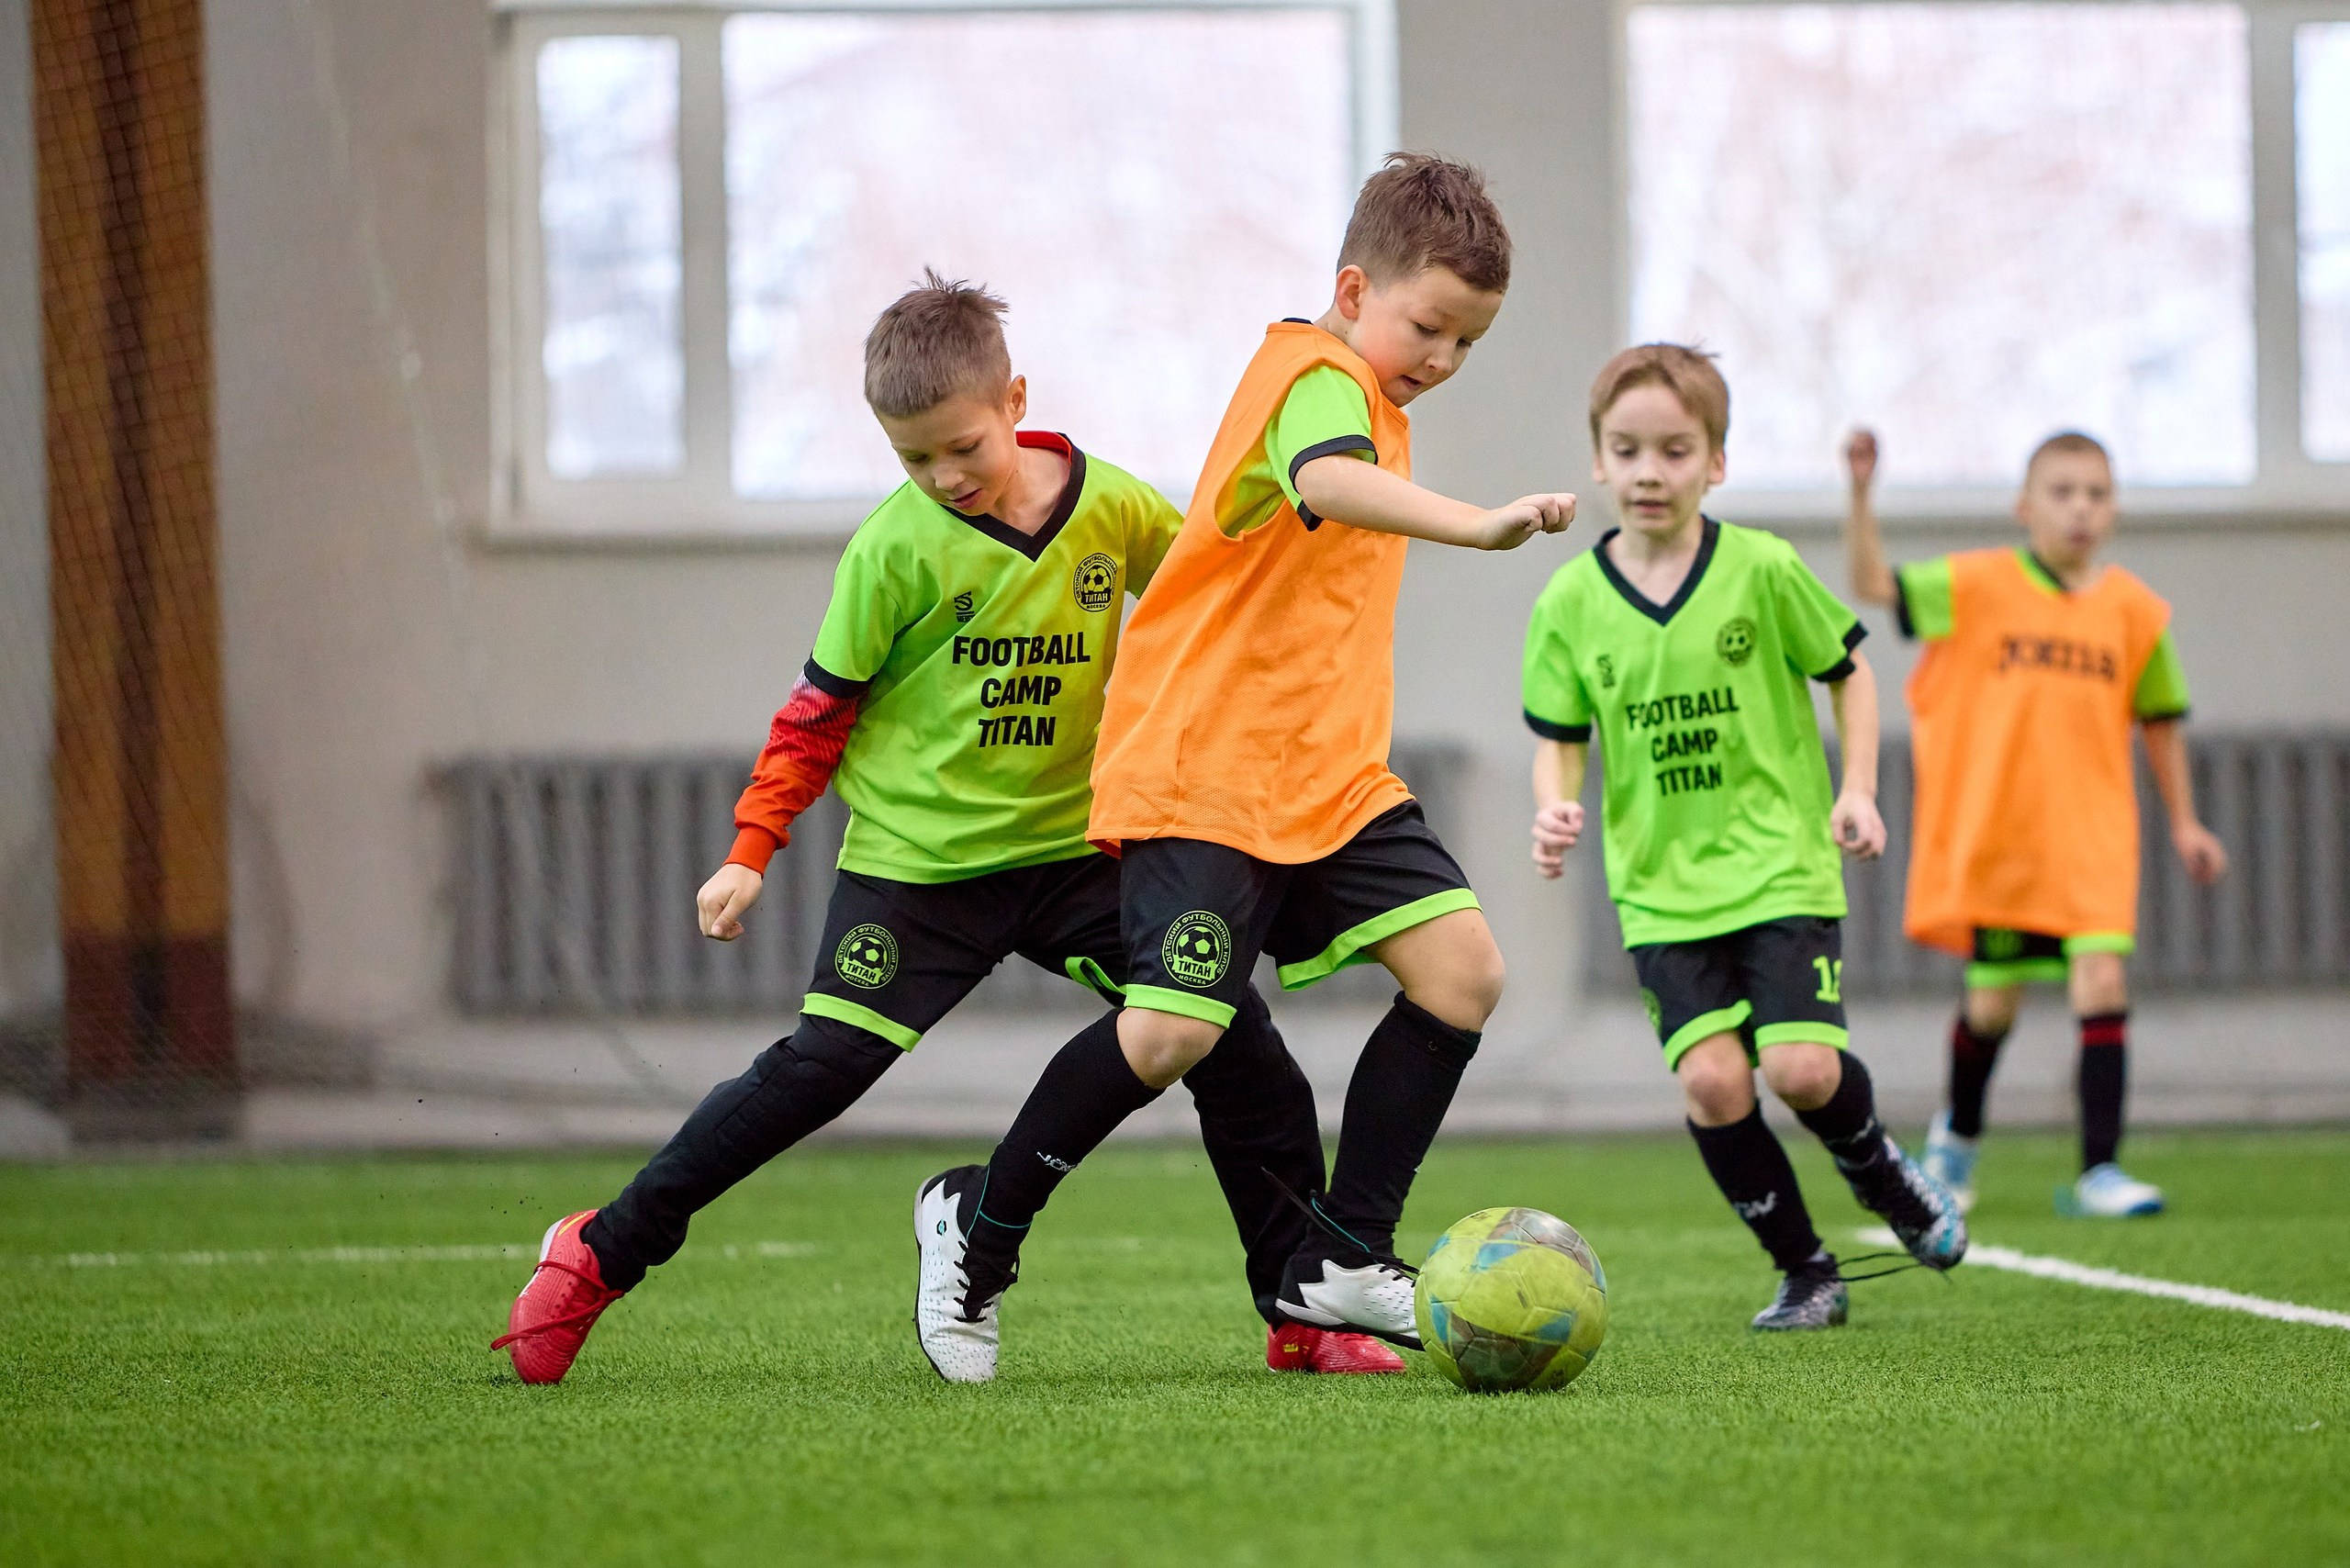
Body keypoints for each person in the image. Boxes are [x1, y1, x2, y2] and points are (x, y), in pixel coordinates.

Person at [494, 273, 1402, 1386]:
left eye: (962, 447)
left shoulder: (1114, 508)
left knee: (1232, 1040)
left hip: (1077, 854)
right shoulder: (893, 550)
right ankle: (599, 1250)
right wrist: (748, 850)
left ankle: (1297, 1305)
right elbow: (813, 715)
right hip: (917, 870)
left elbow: (1202, 620)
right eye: (912, 458)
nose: (944, 477)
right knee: (815, 1073)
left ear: (1014, 397)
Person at [912, 153, 1579, 1381]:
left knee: (1463, 977)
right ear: (1352, 285)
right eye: (1428, 326)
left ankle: (1338, 1258)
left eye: (1467, 343)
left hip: (1327, 776)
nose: (1440, 357)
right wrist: (1482, 525)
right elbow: (1326, 481)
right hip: (1207, 762)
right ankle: (977, 1224)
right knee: (1170, 1033)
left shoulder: (1376, 396)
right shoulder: (1311, 376)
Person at [1524, 345, 1966, 1332]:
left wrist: (1856, 789)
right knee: (1715, 1080)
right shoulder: (1568, 604)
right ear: (1598, 460)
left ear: (1714, 463)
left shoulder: (1762, 568)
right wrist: (1551, 806)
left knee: (1803, 1070)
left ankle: (1881, 1169)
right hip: (1658, 888)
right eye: (1626, 449)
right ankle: (1806, 1269)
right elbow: (1556, 742)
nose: (1649, 471)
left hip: (1780, 866)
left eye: (1675, 451)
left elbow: (1849, 671)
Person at [1842, 428, 2228, 1218]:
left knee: (2103, 978)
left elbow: (2161, 722)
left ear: (2113, 508)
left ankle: (2101, 1172)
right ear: (2026, 505)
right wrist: (1859, 492)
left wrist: (2187, 822)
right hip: (2004, 844)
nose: (2080, 508)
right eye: (2063, 491)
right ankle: (1957, 1144)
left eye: (2096, 493)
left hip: (2093, 841)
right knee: (1992, 1006)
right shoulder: (1979, 584)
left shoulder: (2135, 612)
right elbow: (1872, 581)